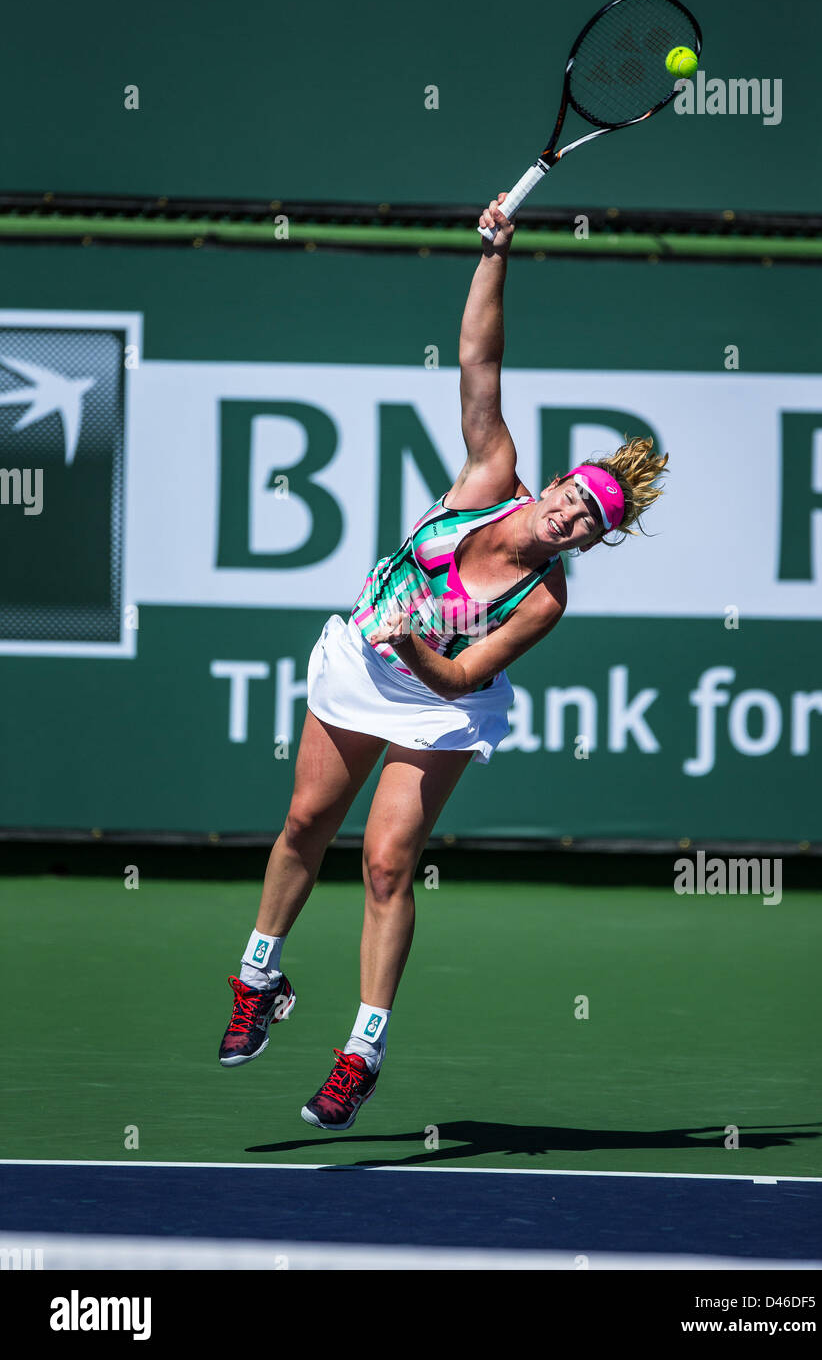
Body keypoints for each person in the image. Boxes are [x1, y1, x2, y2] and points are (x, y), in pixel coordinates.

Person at [218, 195, 668, 1130]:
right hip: (361, 664)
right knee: (306, 820)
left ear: (593, 540)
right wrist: (495, 252)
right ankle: (258, 980)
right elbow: (480, 360)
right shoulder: (491, 472)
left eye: (594, 523)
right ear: (552, 486)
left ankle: (362, 1051)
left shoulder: (543, 601)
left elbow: (462, 678)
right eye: (577, 499)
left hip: (442, 705)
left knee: (386, 863)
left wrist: (414, 637)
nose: (574, 518)